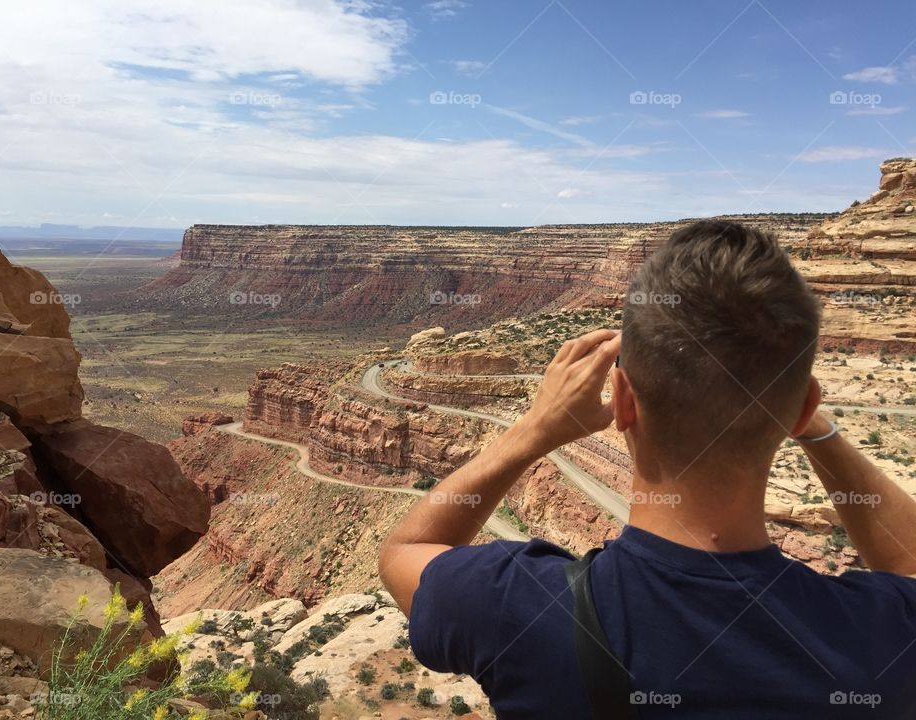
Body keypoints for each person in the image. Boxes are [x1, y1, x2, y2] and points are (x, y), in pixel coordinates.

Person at [378, 221, 916, 719]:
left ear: (623, 401)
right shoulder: (881, 637)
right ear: (801, 408)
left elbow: (403, 552)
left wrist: (533, 430)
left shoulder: (512, 607)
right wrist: (815, 427)